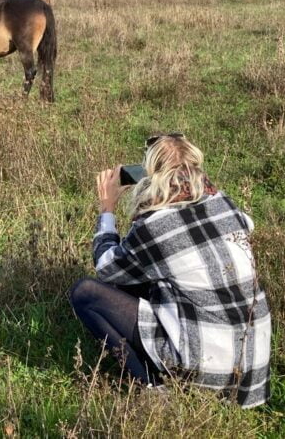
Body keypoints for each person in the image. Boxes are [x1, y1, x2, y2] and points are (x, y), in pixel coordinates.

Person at [70, 133, 271, 408]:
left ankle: (153, 391)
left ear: (151, 175)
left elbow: (107, 268)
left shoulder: (155, 225)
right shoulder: (225, 204)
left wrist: (107, 208)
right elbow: (246, 225)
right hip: (252, 369)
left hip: (206, 368)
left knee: (85, 293)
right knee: (141, 279)